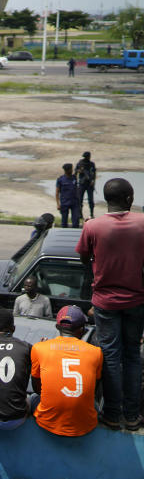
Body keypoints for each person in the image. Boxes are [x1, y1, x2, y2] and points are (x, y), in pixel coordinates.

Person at [75, 177, 144, 430]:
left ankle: (112, 414)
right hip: (137, 299)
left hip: (105, 302)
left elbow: (83, 259)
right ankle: (133, 415)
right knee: (132, 356)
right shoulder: (142, 223)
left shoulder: (93, 226)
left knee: (110, 356)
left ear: (106, 200)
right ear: (130, 198)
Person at [30, 306, 103, 436]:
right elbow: (93, 390)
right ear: (82, 330)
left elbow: (37, 389)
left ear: (57, 327)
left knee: (33, 397)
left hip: (48, 422)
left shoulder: (39, 348)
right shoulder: (96, 352)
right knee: (95, 404)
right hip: (85, 425)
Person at [55, 163, 80, 228]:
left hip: (74, 203)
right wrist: (58, 204)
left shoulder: (74, 178)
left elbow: (76, 189)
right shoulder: (60, 179)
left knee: (76, 222)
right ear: (67, 170)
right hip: (64, 203)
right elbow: (57, 192)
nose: (72, 170)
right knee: (64, 222)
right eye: (71, 169)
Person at [75, 151, 96, 220]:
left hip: (89, 184)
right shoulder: (80, 163)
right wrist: (80, 171)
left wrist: (93, 181)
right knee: (80, 200)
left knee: (91, 200)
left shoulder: (91, 164)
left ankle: (91, 214)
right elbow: (75, 172)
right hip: (82, 184)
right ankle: (80, 214)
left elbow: (94, 173)